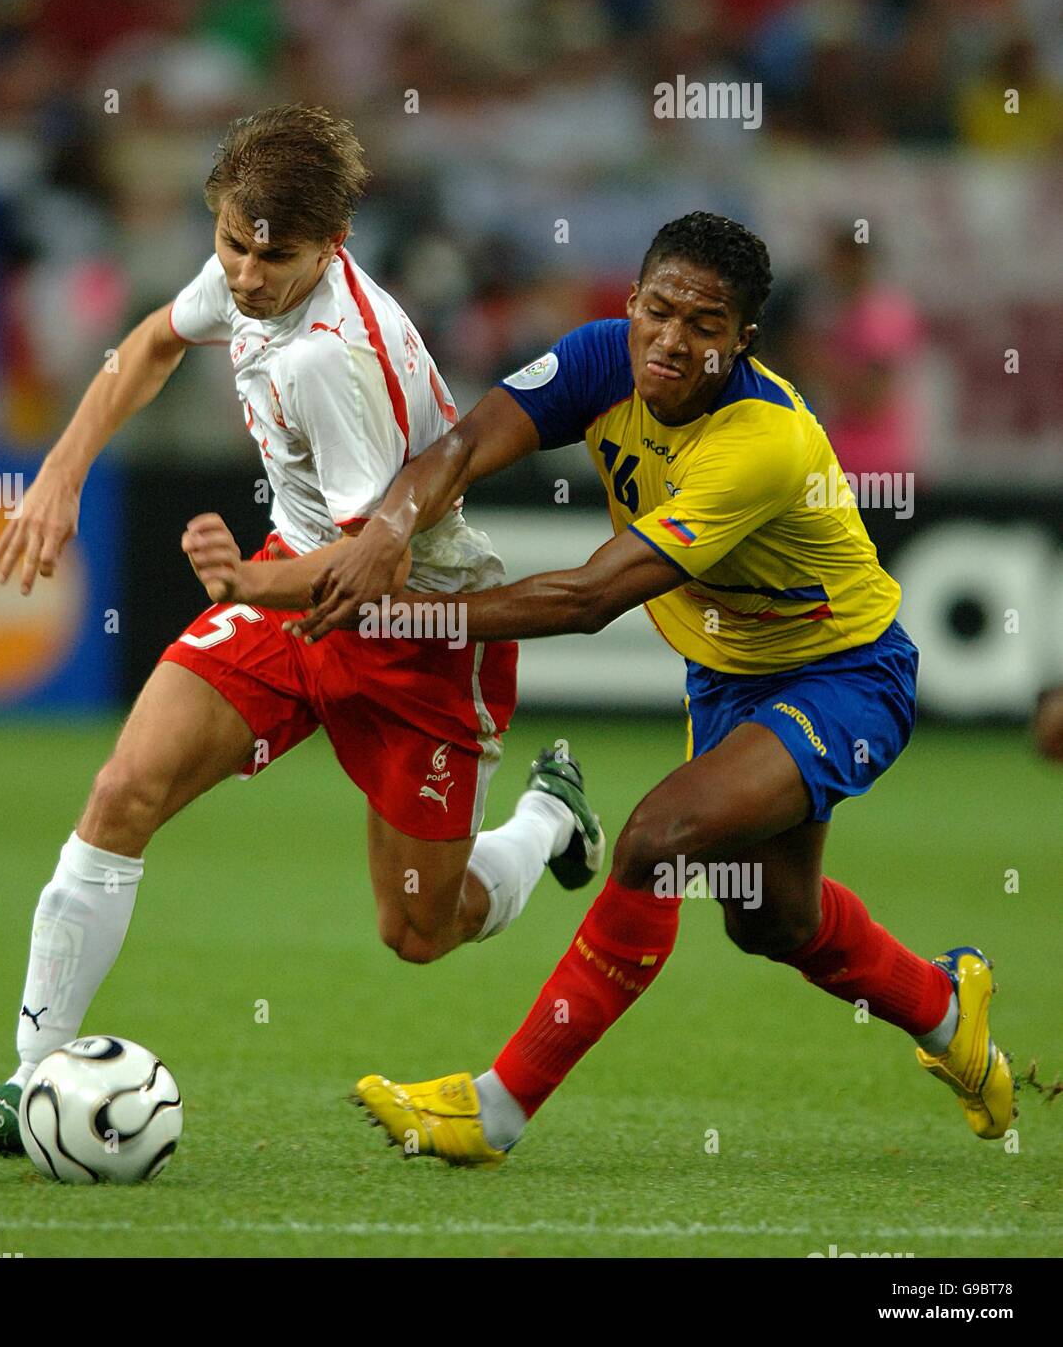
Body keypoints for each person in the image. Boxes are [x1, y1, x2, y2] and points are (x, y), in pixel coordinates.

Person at [0, 105, 603, 1157]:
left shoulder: (334, 358)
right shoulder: (244, 274)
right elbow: (149, 344)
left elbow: (369, 569)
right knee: (121, 793)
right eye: (230, 243)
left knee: (419, 929)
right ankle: (26, 1083)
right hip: (289, 577)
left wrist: (243, 580)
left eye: (272, 258)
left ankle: (548, 821)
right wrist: (59, 475)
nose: (244, 275)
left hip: (416, 629)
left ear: (333, 247)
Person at [294, 211, 1016, 1165]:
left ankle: (493, 1110)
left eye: (705, 325)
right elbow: (464, 447)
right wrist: (387, 531)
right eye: (658, 310)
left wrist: (405, 617)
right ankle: (945, 1008)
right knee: (772, 921)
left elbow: (591, 597)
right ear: (632, 302)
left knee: (655, 841)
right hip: (726, 680)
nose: (672, 340)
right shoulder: (605, 359)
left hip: (844, 672)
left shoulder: (760, 444)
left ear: (743, 340)